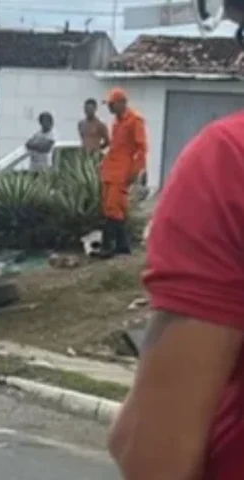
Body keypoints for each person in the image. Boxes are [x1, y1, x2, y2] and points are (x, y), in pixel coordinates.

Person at [108, 6, 244, 478]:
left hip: (121, 182)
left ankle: (116, 246)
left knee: (116, 219)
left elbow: (152, 451)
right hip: (111, 180)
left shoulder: (228, 161)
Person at [98, 87, 146, 258]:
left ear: (121, 103)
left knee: (113, 207)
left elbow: (141, 149)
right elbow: (115, 147)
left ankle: (107, 246)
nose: (109, 108)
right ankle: (122, 246)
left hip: (122, 171)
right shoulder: (116, 122)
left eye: (111, 104)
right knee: (111, 207)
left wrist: (135, 171)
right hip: (110, 169)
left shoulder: (135, 120)